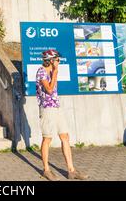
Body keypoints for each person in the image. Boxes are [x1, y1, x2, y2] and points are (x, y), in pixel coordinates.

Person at [36, 49, 89, 181]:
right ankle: (46, 170)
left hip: (56, 107)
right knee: (47, 138)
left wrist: (55, 71)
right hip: (47, 109)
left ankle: (71, 171)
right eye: (57, 59)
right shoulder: (41, 71)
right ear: (51, 60)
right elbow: (49, 89)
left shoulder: (52, 70)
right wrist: (55, 71)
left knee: (65, 136)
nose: (59, 61)